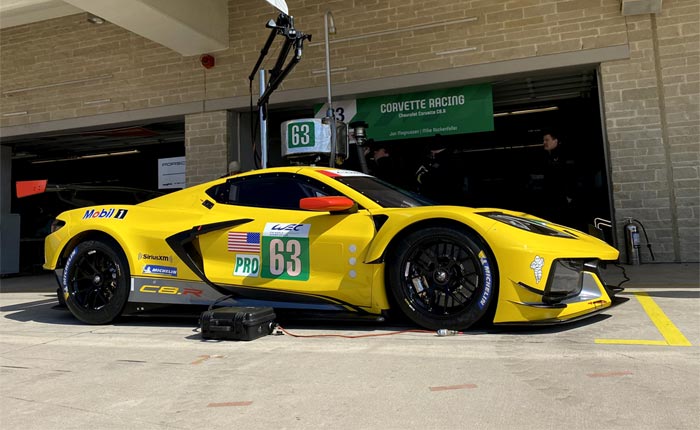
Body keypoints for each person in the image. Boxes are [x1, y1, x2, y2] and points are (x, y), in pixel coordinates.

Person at [539, 130, 575, 224]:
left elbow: (570, 176)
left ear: (555, 141)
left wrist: (569, 195)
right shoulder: (547, 156)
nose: (544, 143)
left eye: (547, 140)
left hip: (562, 198)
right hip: (551, 198)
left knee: (563, 223)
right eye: (544, 140)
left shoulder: (564, 155)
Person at [414, 135, 462, 204]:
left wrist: (422, 176)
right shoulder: (452, 159)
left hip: (437, 200)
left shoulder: (443, 161)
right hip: (448, 200)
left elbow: (433, 180)